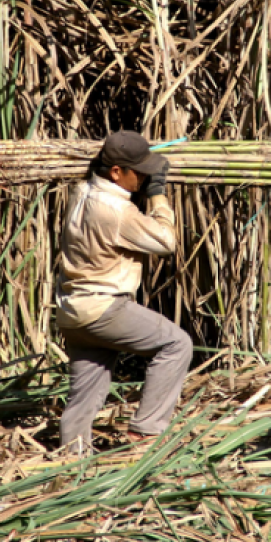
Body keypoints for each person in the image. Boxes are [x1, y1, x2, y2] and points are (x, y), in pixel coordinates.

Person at [55, 130, 192, 454]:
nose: (144, 177)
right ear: (116, 171)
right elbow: (165, 242)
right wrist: (158, 196)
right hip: (104, 310)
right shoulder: (115, 210)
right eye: (139, 172)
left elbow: (94, 177)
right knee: (177, 344)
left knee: (85, 395)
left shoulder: (80, 192)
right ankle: (147, 432)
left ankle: (71, 460)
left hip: (73, 313)